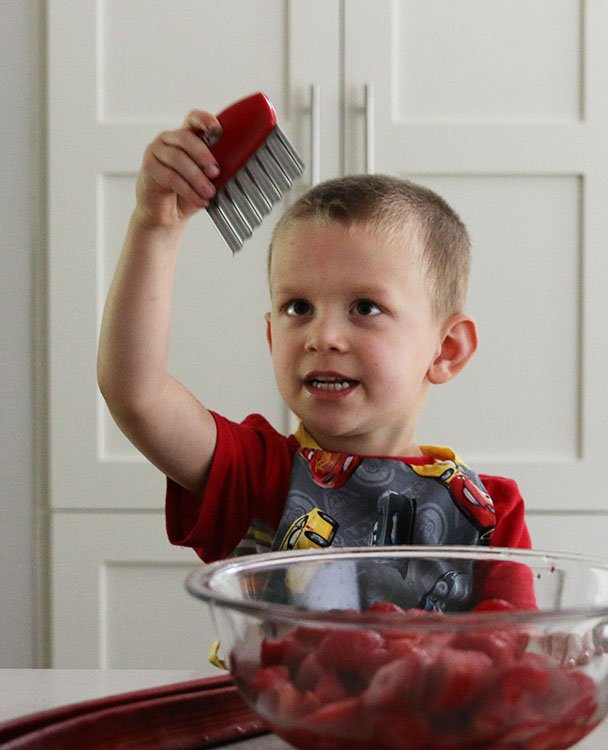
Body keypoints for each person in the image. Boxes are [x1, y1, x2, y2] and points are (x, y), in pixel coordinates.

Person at [96, 106, 533, 611]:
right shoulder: (258, 476)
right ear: (271, 337)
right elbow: (137, 394)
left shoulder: (489, 515)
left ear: (447, 350)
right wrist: (155, 228)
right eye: (298, 308)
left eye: (365, 308)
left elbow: (519, 645)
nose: (322, 336)